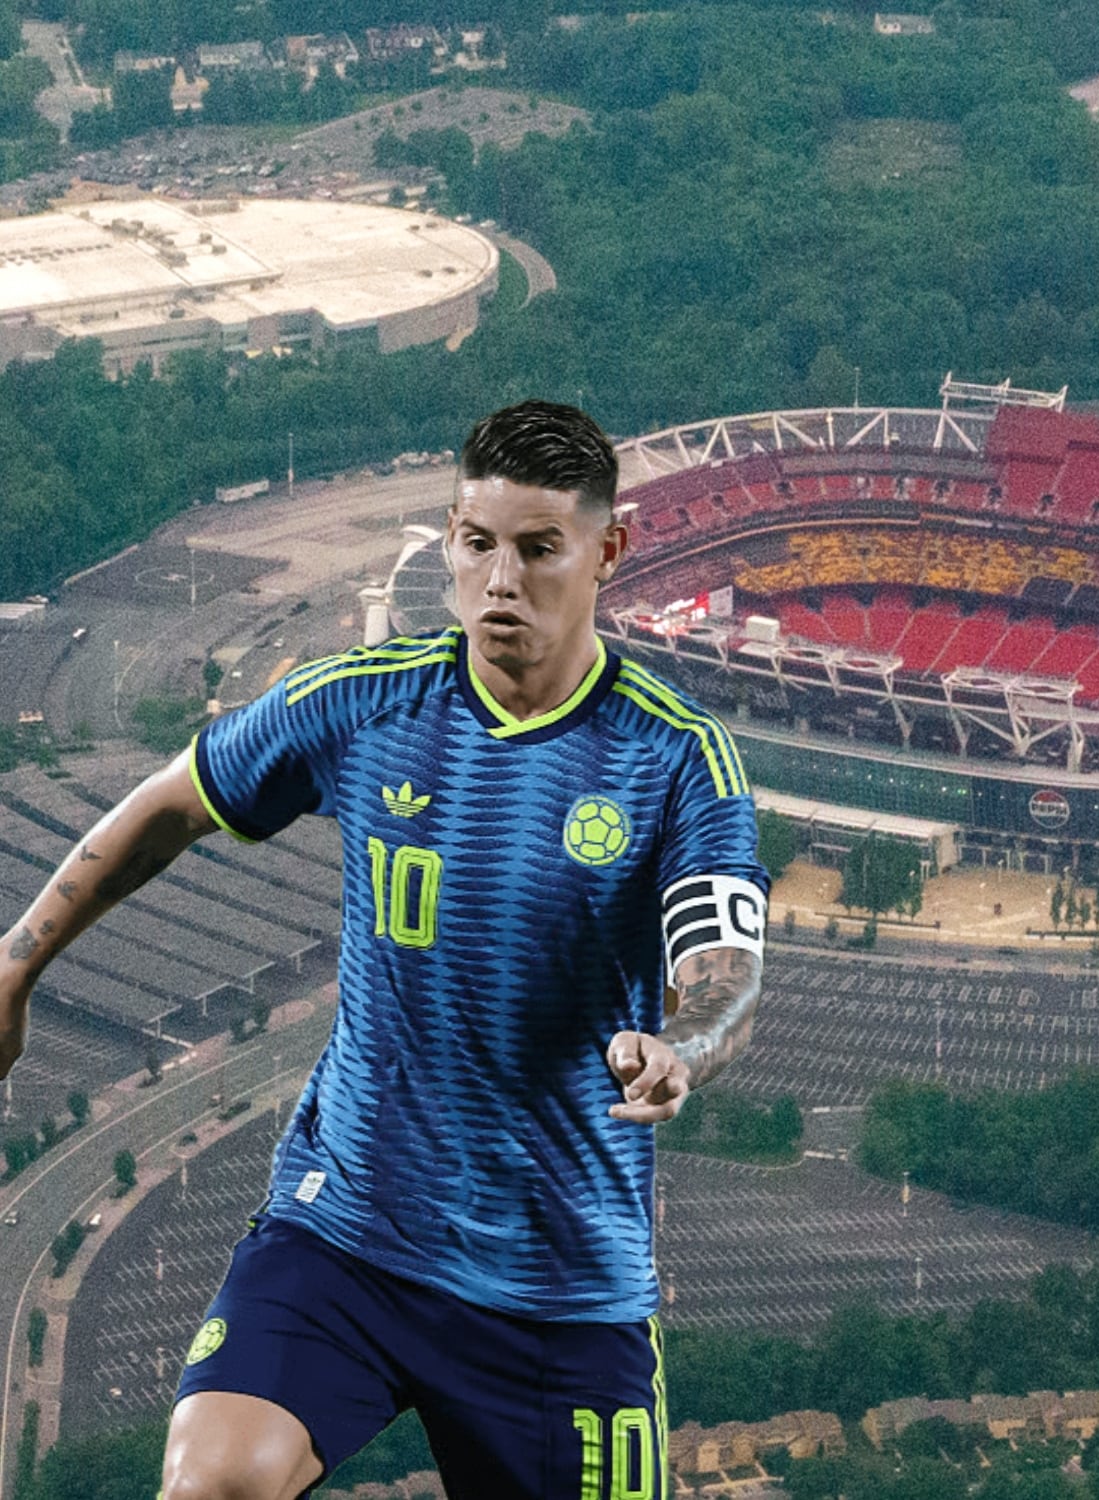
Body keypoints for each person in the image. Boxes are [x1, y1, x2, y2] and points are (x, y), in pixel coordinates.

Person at [0, 401, 768, 1500]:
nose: (501, 579)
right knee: (211, 1481)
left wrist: (684, 1045)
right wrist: (16, 963)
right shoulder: (363, 705)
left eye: (539, 549)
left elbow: (725, 965)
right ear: (449, 540)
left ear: (608, 552)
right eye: (477, 543)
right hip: (346, 1235)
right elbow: (170, 803)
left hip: (557, 1285)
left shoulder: (674, 759)